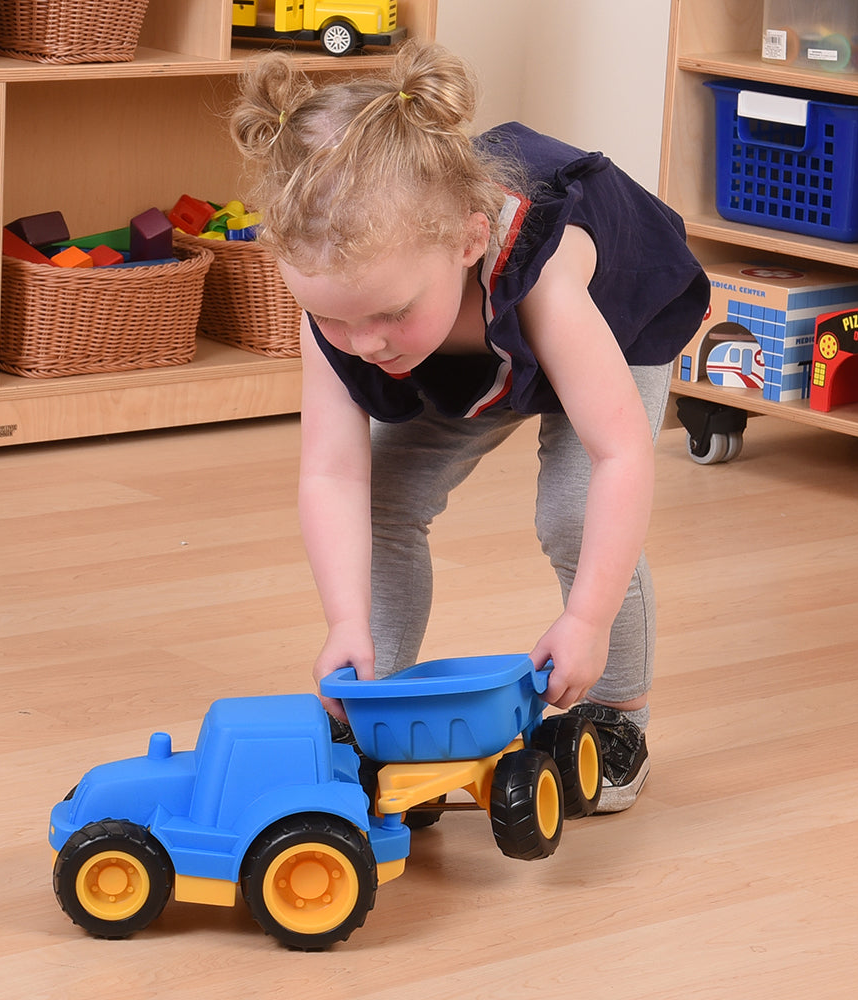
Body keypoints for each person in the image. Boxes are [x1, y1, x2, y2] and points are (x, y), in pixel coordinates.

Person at [230, 41, 709, 812]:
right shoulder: (351, 309)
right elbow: (331, 472)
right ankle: (376, 706)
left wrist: (585, 621)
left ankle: (618, 716)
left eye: (388, 312)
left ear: (467, 240)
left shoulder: (543, 277)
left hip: (613, 323)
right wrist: (345, 621)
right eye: (332, 319)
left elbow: (620, 452)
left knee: (571, 514)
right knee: (384, 499)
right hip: (465, 357)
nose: (365, 344)